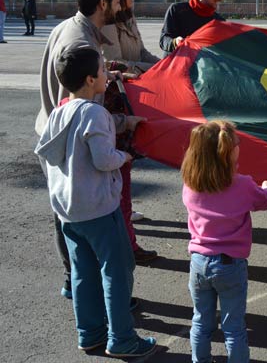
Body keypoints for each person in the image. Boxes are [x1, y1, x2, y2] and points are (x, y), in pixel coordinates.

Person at [34, 47, 156, 357]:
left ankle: (89, 333)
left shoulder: (60, 112)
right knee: (117, 269)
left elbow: (48, 154)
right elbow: (103, 159)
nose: (108, 75)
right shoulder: (95, 112)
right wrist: (124, 156)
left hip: (69, 211)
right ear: (90, 79)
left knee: (82, 272)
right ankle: (122, 338)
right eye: (103, 71)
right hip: (99, 208)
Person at [36, 0, 138, 299]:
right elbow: (87, 114)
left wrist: (112, 72)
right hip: (72, 144)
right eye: (119, 0)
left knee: (67, 217)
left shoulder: (74, 29)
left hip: (59, 135)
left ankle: (78, 285)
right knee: (84, 226)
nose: (122, 6)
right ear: (103, 3)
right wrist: (124, 122)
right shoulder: (80, 40)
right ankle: (89, 293)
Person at [182, 120, 267, 363]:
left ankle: (200, 360)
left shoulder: (190, 185)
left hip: (199, 262)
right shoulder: (242, 185)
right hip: (230, 265)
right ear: (231, 151)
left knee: (201, 321)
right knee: (233, 327)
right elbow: (265, 201)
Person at [101, 0, 161, 263]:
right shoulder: (109, 26)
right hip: (117, 104)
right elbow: (116, 64)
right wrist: (152, 70)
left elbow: (140, 51)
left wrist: (164, 65)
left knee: (124, 178)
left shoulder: (128, 19)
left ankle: (127, 236)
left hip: (131, 102)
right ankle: (128, 246)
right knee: (119, 177)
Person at [159, 0, 226, 56]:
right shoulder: (177, 10)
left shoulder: (219, 21)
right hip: (176, 66)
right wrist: (175, 42)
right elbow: (163, 40)